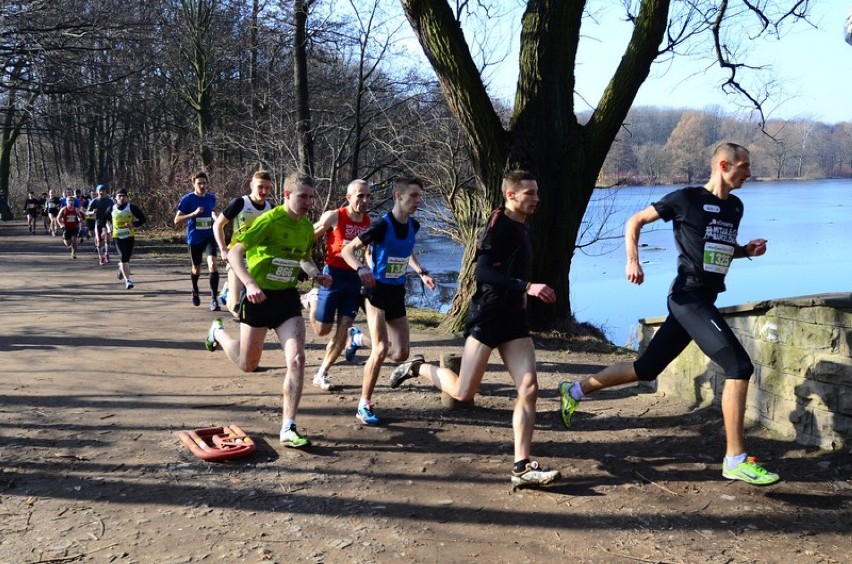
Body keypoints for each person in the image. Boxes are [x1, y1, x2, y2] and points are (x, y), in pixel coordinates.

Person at [557, 142, 779, 486]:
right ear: (724, 165)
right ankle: (734, 460)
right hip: (687, 297)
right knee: (739, 366)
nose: (750, 173)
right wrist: (632, 260)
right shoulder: (686, 199)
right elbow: (635, 221)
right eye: (744, 167)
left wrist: (744, 251)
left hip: (704, 298)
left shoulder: (735, 207)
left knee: (646, 368)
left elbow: (715, 252)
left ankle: (574, 391)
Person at [389, 170, 561, 488]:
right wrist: (528, 286)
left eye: (537, 192)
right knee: (464, 392)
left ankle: (521, 466)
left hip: (514, 321)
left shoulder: (522, 225)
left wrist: (523, 294)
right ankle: (417, 368)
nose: (536, 199)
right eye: (530, 194)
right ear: (510, 195)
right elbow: (483, 273)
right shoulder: (499, 225)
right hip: (488, 316)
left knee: (529, 388)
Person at [204, 173, 330, 449]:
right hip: (258, 296)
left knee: (297, 358)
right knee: (248, 364)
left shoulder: (307, 227)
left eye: (311, 197)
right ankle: (218, 333)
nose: (309, 202)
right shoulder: (268, 221)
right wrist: (248, 283)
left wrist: (317, 274)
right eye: (302, 196)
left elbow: (304, 258)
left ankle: (288, 426)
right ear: (286, 195)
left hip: (285, 298)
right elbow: (236, 251)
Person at [339, 177, 435, 426]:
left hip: (396, 292)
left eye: (419, 196)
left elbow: (407, 250)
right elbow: (347, 251)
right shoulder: (381, 226)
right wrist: (361, 268)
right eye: (412, 196)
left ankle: (358, 339)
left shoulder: (414, 226)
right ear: (398, 197)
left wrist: (421, 272)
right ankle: (364, 404)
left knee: (400, 353)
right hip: (375, 290)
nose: (417, 201)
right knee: (381, 349)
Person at [306, 179, 372, 391]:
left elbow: (368, 251)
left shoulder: (369, 222)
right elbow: (307, 238)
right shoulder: (334, 216)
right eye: (360, 196)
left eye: (368, 196)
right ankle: (313, 299)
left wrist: (370, 270)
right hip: (332, 276)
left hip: (354, 279)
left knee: (343, 329)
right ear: (349, 197)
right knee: (322, 331)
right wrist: (309, 265)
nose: (364, 200)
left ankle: (321, 373)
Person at [213, 170, 274, 318]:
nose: (264, 191)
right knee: (236, 310)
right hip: (237, 256)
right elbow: (218, 225)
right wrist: (223, 250)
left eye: (267, 188)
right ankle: (228, 293)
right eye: (260, 187)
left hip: (259, 259)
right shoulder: (240, 203)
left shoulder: (271, 208)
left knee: (257, 305)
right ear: (251, 185)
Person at [174, 171, 220, 310]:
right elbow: (176, 220)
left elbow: (212, 211)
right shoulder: (187, 199)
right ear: (193, 183)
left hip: (209, 237)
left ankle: (214, 299)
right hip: (194, 239)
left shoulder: (211, 198)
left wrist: (217, 219)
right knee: (196, 268)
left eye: (204, 183)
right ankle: (194, 288)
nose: (202, 185)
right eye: (199, 183)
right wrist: (193, 214)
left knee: (212, 264)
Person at [105, 188, 147, 289]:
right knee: (123, 256)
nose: (122, 198)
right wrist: (107, 229)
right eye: (119, 196)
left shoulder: (131, 208)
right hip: (117, 237)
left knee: (126, 259)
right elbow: (104, 220)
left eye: (124, 196)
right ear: (115, 198)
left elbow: (143, 219)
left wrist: (133, 224)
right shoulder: (111, 208)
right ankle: (128, 281)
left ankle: (121, 267)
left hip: (129, 236)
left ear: (127, 198)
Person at [88, 184, 114, 264]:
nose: (102, 192)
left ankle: (107, 254)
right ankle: (100, 257)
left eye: (103, 190)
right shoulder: (95, 201)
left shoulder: (110, 201)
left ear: (106, 191)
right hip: (98, 223)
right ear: (97, 192)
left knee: (108, 240)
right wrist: (92, 212)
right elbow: (87, 212)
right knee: (99, 241)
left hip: (108, 223)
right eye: (100, 191)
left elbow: (115, 210)